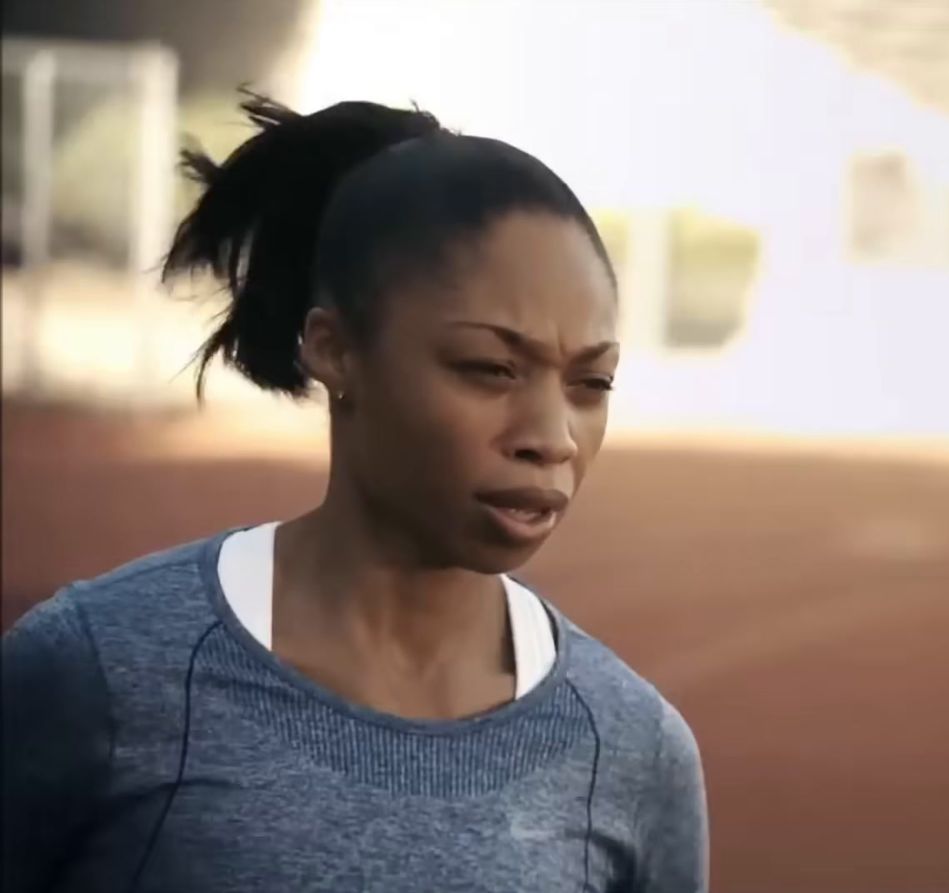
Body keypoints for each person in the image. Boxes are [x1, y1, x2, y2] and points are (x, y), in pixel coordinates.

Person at [1, 93, 708, 892]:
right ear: (333, 349)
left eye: (592, 381)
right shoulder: (101, 671)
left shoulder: (633, 749)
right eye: (489, 368)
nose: (553, 434)